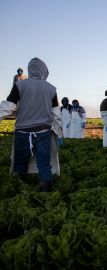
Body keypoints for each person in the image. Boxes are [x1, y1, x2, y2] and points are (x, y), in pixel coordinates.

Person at [0, 58, 62, 192]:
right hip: (43, 131)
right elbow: (56, 113)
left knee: (21, 159)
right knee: (44, 160)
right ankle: (46, 185)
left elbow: (9, 106)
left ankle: (19, 186)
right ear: (44, 71)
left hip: (23, 131)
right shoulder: (51, 88)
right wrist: (59, 132)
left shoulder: (20, 85)